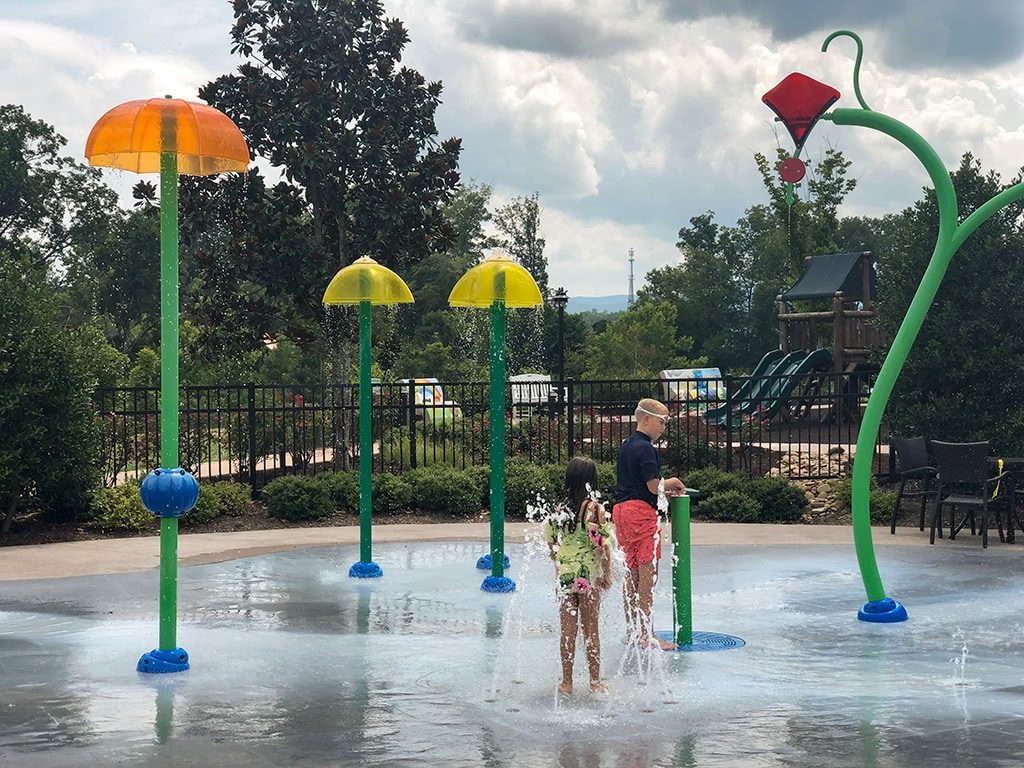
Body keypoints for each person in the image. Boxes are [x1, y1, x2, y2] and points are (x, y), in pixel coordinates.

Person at [613, 398, 685, 652]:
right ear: (646, 419)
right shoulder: (646, 448)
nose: (664, 427)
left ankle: (633, 630)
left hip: (621, 512)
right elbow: (653, 487)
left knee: (630, 575)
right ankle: (647, 636)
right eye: (662, 421)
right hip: (641, 515)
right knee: (647, 575)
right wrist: (673, 481)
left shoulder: (626, 445)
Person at [544, 456, 613, 695]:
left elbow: (551, 544)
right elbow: (601, 545)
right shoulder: (595, 509)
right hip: (588, 575)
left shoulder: (558, 510)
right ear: (591, 481)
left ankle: (567, 682)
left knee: (567, 630)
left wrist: (562, 563)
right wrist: (607, 573)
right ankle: (594, 682)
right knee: (591, 628)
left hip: (565, 575)